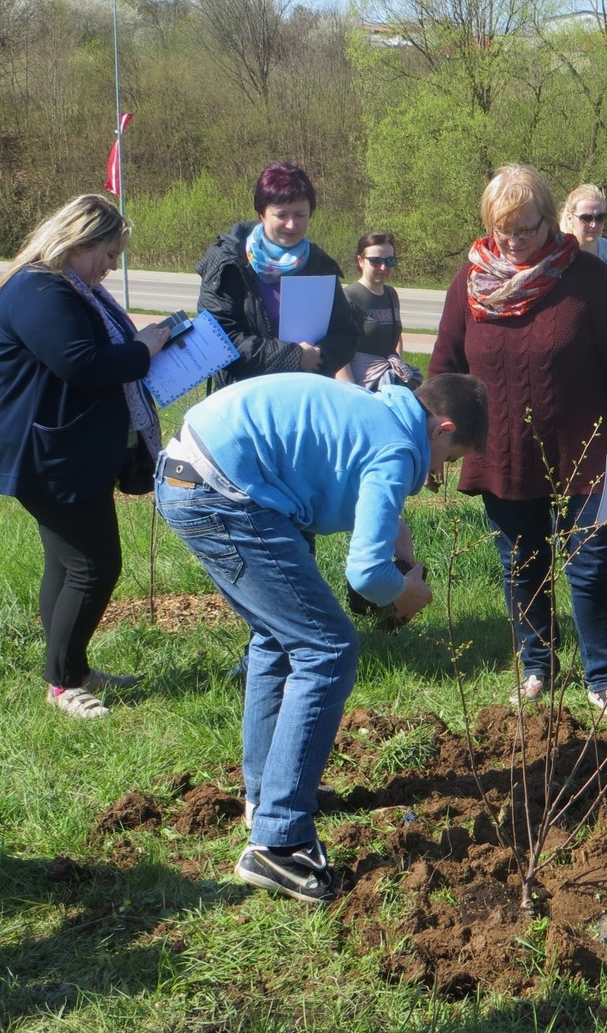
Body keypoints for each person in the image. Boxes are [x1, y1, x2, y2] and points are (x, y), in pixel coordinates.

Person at [155, 372, 488, 904]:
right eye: (448, 459)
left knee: (277, 639)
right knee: (328, 649)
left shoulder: (379, 410)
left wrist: (396, 539)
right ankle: (279, 844)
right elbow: (364, 576)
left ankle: (269, 796)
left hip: (196, 475)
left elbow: (337, 470)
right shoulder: (400, 446)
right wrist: (404, 593)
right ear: (442, 427)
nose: (438, 473)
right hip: (225, 494)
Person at [430, 164, 607, 717]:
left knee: (592, 562)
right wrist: (429, 439)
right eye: (503, 229)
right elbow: (445, 365)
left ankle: (604, 678)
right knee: (522, 561)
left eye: (525, 228)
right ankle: (537, 668)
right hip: (504, 448)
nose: (514, 240)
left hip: (593, 447)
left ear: (550, 221)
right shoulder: (470, 280)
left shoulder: (588, 277)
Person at [0, 194, 171, 719]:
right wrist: (144, 349)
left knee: (67, 565)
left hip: (65, 450)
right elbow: (82, 365)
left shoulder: (64, 287)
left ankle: (73, 668)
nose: (112, 268)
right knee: (94, 566)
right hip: (46, 454)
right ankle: (63, 683)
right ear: (80, 242)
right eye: (109, 254)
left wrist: (144, 347)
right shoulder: (40, 290)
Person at [197, 161, 358, 389]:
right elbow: (219, 340)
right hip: (245, 398)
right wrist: (294, 357)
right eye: (281, 215)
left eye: (300, 215)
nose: (292, 225)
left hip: (305, 395)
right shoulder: (227, 263)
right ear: (262, 213)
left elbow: (347, 335)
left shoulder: (320, 264)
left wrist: (318, 356)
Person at [336, 230, 422, 391]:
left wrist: (398, 364)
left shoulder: (391, 294)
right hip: (362, 383)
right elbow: (339, 349)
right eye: (375, 261)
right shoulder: (349, 296)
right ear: (360, 261)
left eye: (390, 261)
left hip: (389, 381)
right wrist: (351, 391)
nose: (383, 267)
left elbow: (396, 336)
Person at [560, 183, 607, 285]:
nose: (593, 225)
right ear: (570, 218)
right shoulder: (557, 253)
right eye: (586, 218)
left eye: (600, 217)